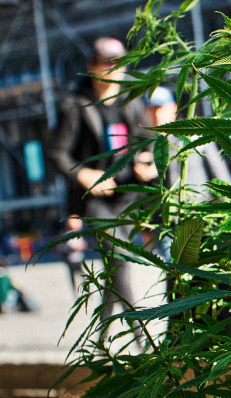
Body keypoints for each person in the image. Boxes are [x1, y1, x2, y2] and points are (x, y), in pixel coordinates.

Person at [48, 37, 157, 321]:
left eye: (119, 65)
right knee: (122, 259)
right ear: (92, 67)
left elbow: (149, 140)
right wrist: (84, 174)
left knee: (115, 267)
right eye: (106, 64)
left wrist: (147, 159)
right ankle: (141, 336)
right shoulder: (75, 105)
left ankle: (102, 337)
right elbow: (57, 153)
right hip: (96, 200)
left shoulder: (130, 101)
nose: (114, 71)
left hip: (128, 195)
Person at [144, 85, 231, 195]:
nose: (156, 115)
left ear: (174, 108)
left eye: (160, 109)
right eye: (151, 110)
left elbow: (220, 176)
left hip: (198, 208)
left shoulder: (193, 136)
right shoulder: (147, 147)